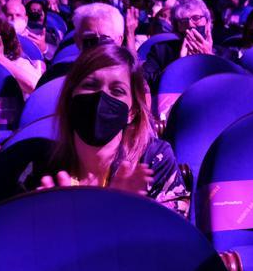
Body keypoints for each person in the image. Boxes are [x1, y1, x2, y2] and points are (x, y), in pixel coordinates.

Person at [29, 44, 188, 216]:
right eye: (90, 85)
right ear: (70, 99)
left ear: (132, 112)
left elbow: (173, 237)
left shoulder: (152, 160)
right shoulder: (42, 165)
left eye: (117, 91)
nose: (101, 97)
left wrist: (118, 212)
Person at [141, 0, 219, 86]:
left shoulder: (226, 54)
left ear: (208, 23)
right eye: (183, 21)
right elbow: (144, 81)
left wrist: (210, 58)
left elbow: (233, 84)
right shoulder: (161, 51)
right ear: (176, 27)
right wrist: (179, 64)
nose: (190, 25)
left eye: (196, 18)